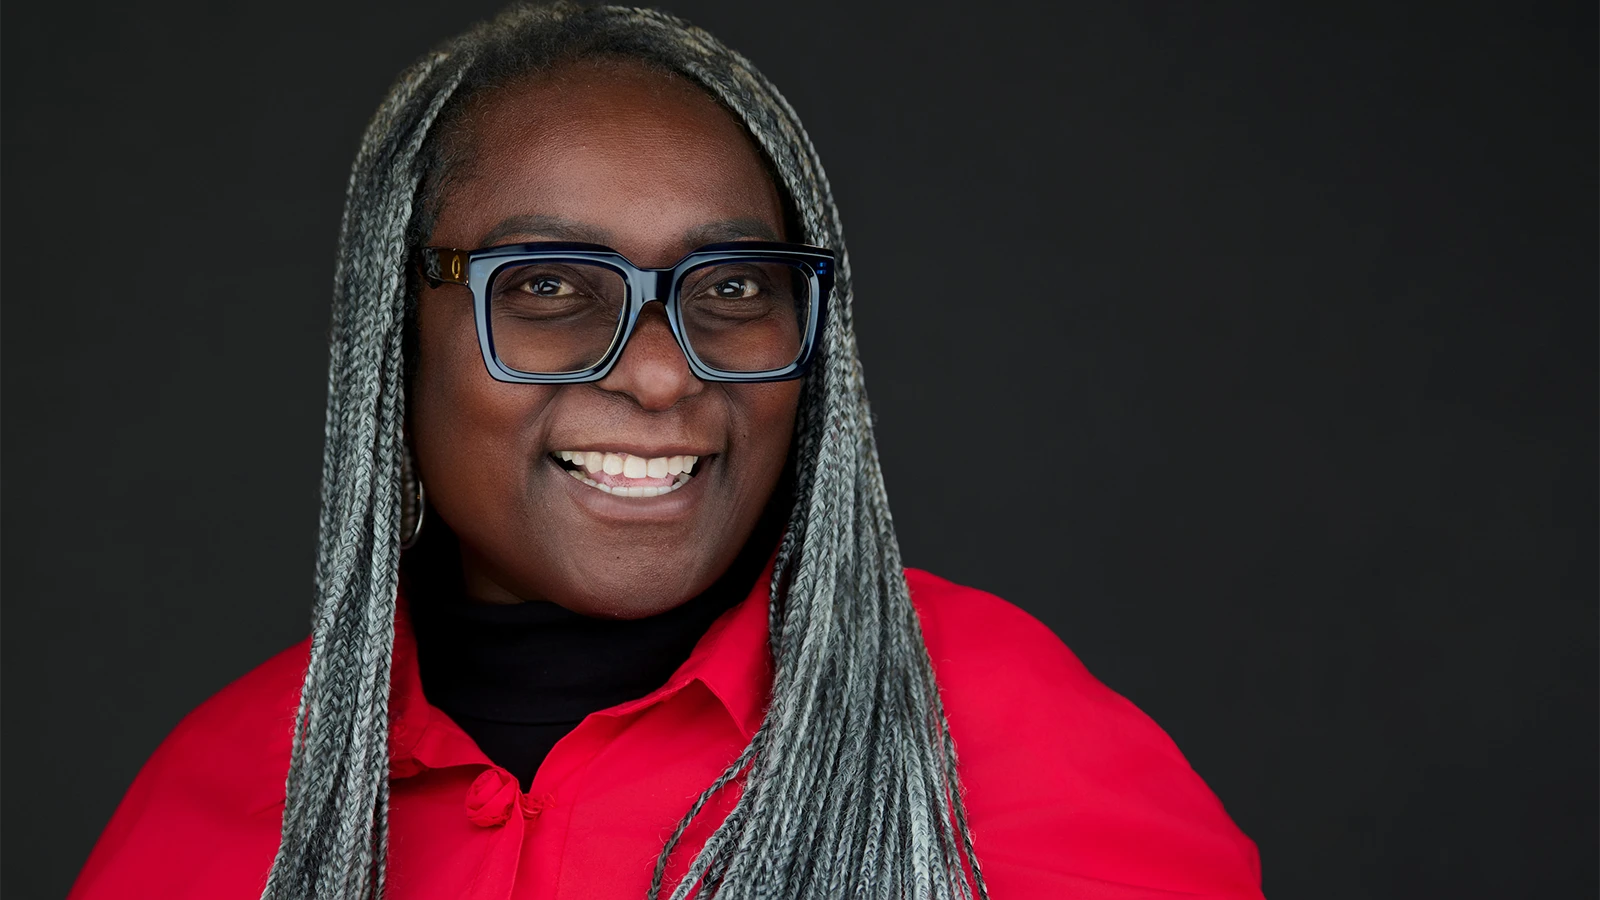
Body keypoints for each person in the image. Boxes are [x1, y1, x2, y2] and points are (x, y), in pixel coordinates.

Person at [68, 4, 1264, 899]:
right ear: (394, 332)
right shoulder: (228, 793)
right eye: (546, 286)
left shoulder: (997, 732)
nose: (657, 370)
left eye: (734, 284)